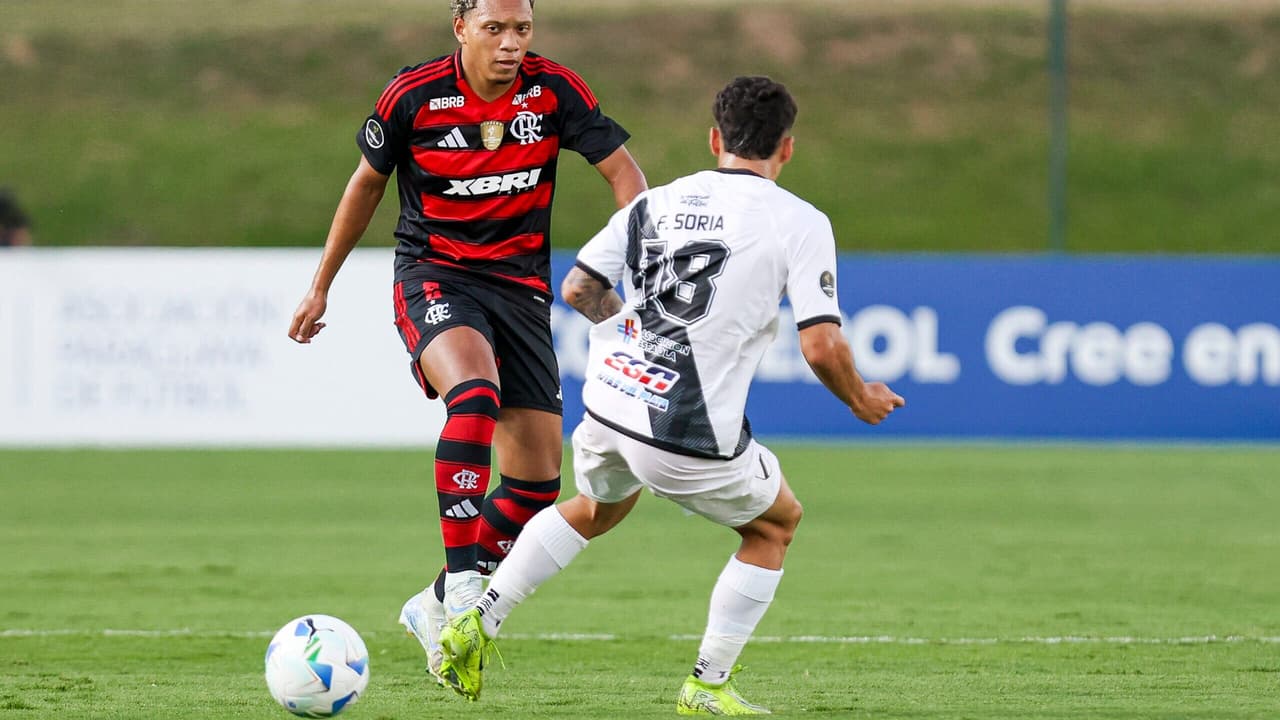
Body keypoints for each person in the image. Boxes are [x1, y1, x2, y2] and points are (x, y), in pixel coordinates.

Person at [435, 76, 905, 714]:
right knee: (776, 524)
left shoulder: (657, 202)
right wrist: (859, 399)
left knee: (596, 508)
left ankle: (475, 620)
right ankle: (707, 684)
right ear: (787, 148)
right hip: (683, 422)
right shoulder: (799, 220)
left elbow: (578, 288)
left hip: (609, 402)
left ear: (714, 139)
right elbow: (822, 346)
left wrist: (635, 336)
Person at [286, 0, 647, 686]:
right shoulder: (413, 95)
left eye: (522, 29)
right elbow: (366, 185)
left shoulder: (554, 90)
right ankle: (460, 591)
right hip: (435, 274)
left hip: (521, 290)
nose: (511, 43)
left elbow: (625, 174)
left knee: (536, 487)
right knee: (475, 396)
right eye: (494, 29)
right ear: (461, 28)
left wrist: (637, 259)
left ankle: (427, 606)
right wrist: (320, 286)